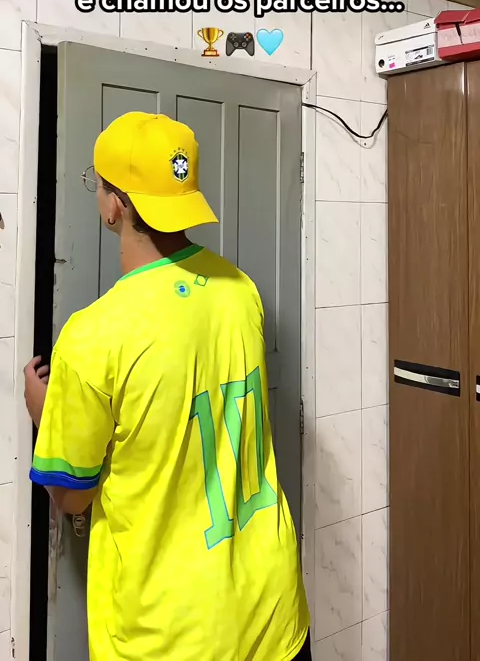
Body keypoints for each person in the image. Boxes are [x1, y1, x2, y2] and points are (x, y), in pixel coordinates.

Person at [24, 112, 311, 661]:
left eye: (97, 183)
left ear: (115, 205)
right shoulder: (240, 291)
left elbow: (73, 496)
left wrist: (45, 415)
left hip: (170, 637)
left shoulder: (91, 337)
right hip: (272, 614)